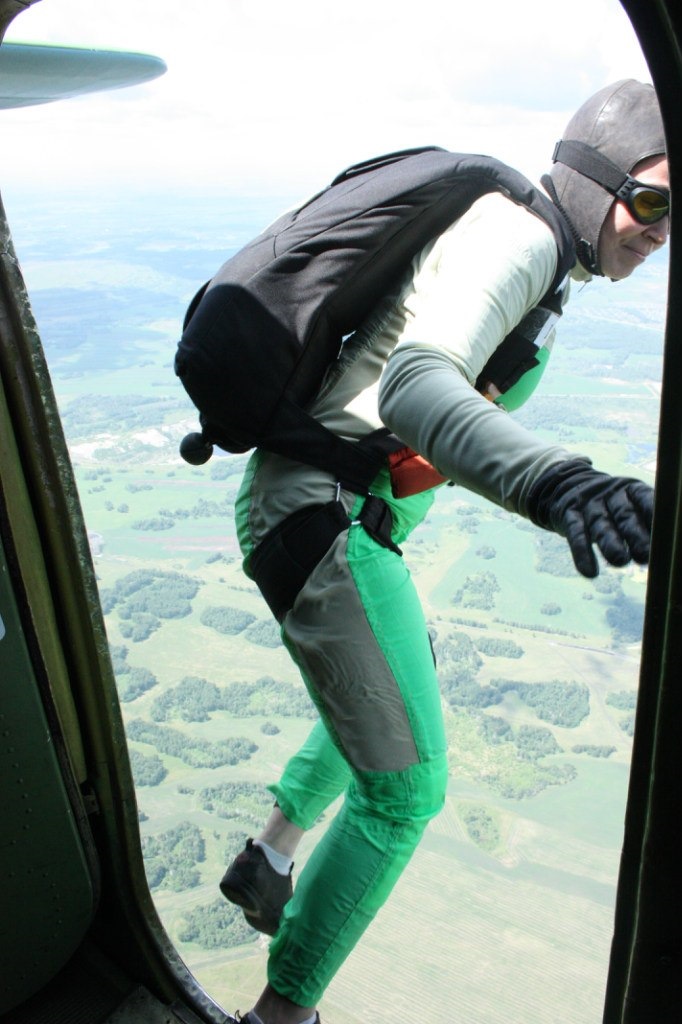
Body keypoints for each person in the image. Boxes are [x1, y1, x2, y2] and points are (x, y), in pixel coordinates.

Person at [221, 80, 670, 1024]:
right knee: (411, 792)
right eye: (654, 200)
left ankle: (269, 856)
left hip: (339, 516)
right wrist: (561, 483)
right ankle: (280, 1013)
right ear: (595, 180)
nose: (662, 230)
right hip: (317, 516)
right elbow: (416, 387)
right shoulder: (521, 239)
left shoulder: (542, 262)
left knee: (402, 680)